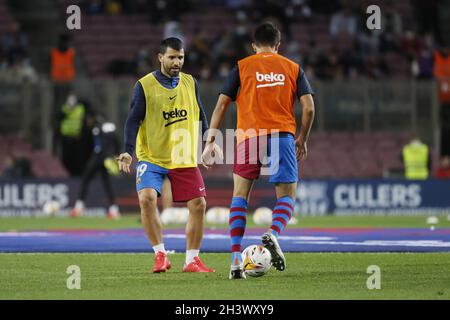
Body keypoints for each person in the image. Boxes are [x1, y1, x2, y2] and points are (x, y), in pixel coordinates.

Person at [201, 22, 315, 279]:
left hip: (248, 137)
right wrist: (303, 138)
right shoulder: (293, 68)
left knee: (239, 197)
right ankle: (273, 234)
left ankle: (233, 260)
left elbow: (221, 105)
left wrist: (210, 141)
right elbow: (309, 108)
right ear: (278, 44)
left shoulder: (242, 66)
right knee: (286, 196)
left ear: (254, 46)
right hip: (281, 135)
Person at [116, 37, 214, 273]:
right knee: (146, 198)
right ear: (160, 57)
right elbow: (132, 120)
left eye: (180, 57)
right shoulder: (144, 85)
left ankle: (192, 260)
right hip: (152, 156)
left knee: (199, 204)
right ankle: (160, 254)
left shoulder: (190, 83)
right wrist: (128, 152)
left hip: (183, 156)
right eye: (171, 57)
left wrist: (209, 142)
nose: (176, 62)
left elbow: (200, 114)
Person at [70, 118, 122, 219]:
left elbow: (98, 146)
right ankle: (114, 210)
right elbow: (117, 143)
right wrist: (116, 155)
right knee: (107, 184)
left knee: (86, 179)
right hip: (108, 159)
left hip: (99, 158)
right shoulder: (111, 127)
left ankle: (79, 207)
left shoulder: (96, 129)